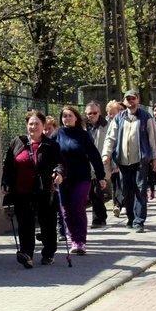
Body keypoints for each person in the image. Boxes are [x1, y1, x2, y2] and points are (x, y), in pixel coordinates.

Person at [2, 110, 65, 267]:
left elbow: (60, 163)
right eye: (31, 124)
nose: (33, 127)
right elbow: (8, 165)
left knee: (48, 224)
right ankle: (26, 254)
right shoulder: (18, 142)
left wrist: (59, 174)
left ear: (43, 126)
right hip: (21, 191)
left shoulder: (51, 145)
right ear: (26, 126)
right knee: (25, 224)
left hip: (44, 191)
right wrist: (6, 181)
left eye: (37, 124)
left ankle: (48, 253)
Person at [102, 90, 156, 233]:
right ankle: (130, 217)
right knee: (126, 191)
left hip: (140, 160)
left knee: (140, 190)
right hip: (123, 161)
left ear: (138, 100)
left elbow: (153, 139)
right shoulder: (118, 118)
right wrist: (106, 154)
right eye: (128, 99)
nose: (131, 101)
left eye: (133, 98)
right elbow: (111, 137)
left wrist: (155, 158)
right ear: (125, 101)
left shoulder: (146, 117)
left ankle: (139, 221)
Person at [53, 106, 106, 255]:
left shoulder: (83, 135)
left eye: (70, 116)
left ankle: (81, 241)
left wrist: (100, 176)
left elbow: (94, 156)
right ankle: (74, 240)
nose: (67, 119)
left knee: (78, 206)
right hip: (63, 179)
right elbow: (48, 153)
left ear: (76, 118)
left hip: (82, 177)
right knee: (67, 211)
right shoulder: (56, 135)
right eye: (64, 116)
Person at [84, 102, 109, 228]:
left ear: (99, 112)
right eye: (89, 113)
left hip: (101, 161)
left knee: (97, 190)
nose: (92, 115)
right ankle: (101, 215)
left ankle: (98, 218)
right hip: (86, 163)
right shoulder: (82, 127)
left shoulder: (107, 125)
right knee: (93, 192)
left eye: (95, 112)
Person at [104, 100, 125, 218]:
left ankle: (124, 204)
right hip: (111, 159)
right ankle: (117, 204)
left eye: (113, 113)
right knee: (115, 183)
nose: (111, 116)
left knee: (123, 183)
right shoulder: (106, 125)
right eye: (109, 113)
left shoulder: (123, 124)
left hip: (122, 158)